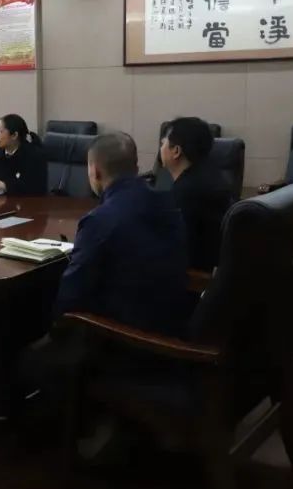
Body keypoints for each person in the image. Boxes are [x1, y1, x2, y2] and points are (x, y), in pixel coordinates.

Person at [54, 130, 190, 334]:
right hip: (171, 322)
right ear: (136, 168)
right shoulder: (168, 202)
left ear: (95, 172)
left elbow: (71, 293)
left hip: (125, 337)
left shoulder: (99, 220)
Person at [159, 117, 233, 272]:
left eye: (163, 143)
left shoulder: (187, 191)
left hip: (196, 277)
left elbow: (175, 249)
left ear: (176, 151)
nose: (161, 148)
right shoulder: (211, 177)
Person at [0, 113, 47, 195]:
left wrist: (5, 186)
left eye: (0, 132)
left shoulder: (35, 156)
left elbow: (36, 188)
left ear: (14, 135)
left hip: (25, 202)